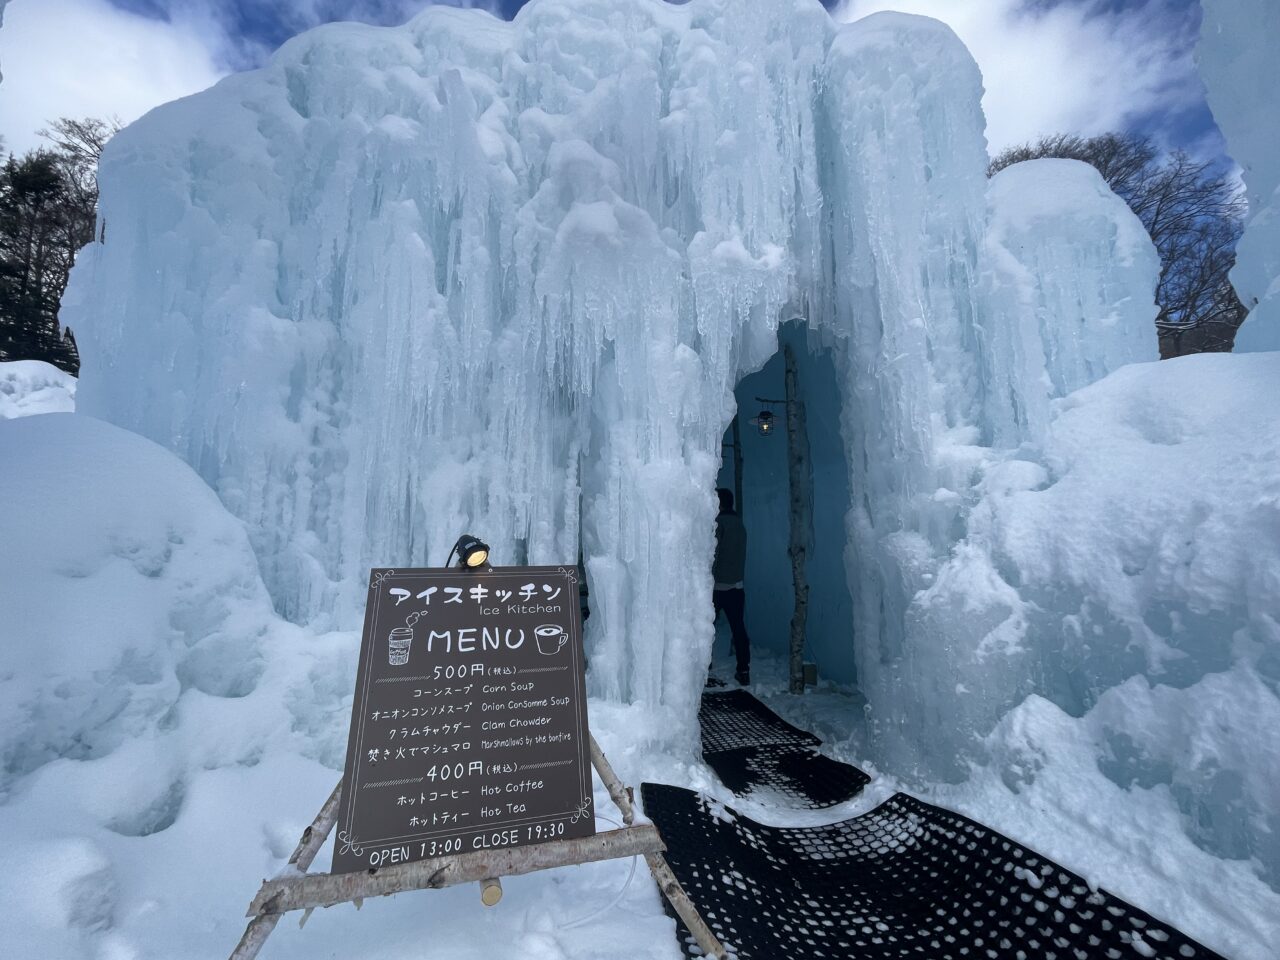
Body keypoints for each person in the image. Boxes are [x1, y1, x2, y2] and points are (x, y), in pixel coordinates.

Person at [712, 488, 751, 685]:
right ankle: (744, 669)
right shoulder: (739, 524)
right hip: (736, 586)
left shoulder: (719, 524)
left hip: (717, 586)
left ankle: (703, 666)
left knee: (706, 627)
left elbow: (714, 554)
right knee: (738, 628)